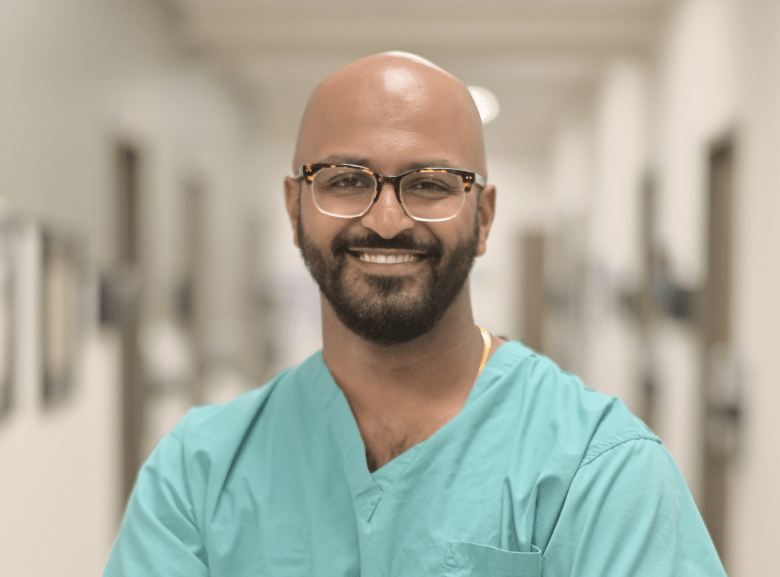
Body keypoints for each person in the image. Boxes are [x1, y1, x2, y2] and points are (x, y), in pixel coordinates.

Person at [104, 52, 727, 576]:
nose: (386, 220)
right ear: (296, 206)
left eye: (429, 183)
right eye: (346, 179)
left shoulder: (602, 470)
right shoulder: (199, 474)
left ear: (482, 217)